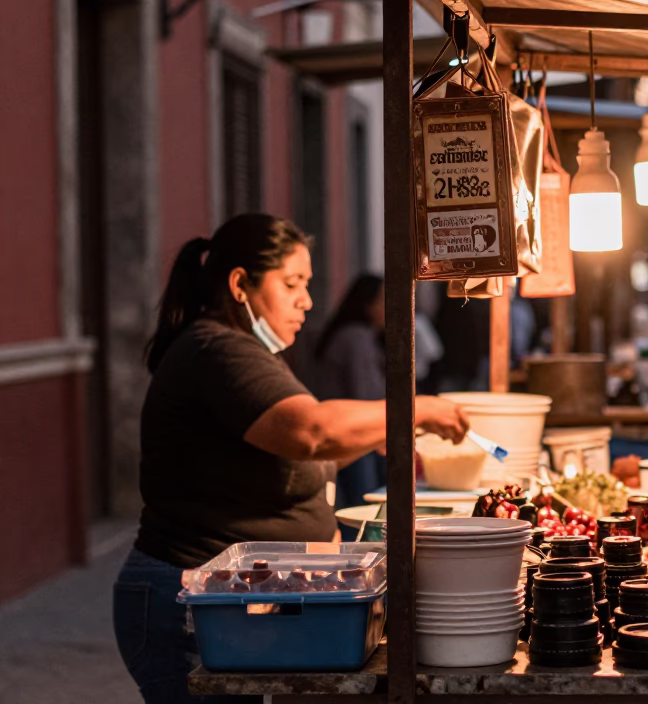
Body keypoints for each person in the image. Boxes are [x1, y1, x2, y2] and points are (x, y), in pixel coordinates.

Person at [113, 214, 468, 703]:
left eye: (307, 283)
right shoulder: (216, 351)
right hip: (190, 609)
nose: (307, 300)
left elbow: (303, 450)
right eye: (292, 283)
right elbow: (310, 432)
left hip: (243, 607)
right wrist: (416, 409)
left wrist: (369, 436)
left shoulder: (255, 354)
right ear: (241, 284)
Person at [313, 274, 389, 511]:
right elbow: (364, 393)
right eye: (384, 300)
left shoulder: (358, 335)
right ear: (368, 304)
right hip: (352, 432)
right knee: (363, 505)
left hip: (350, 429)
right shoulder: (356, 337)